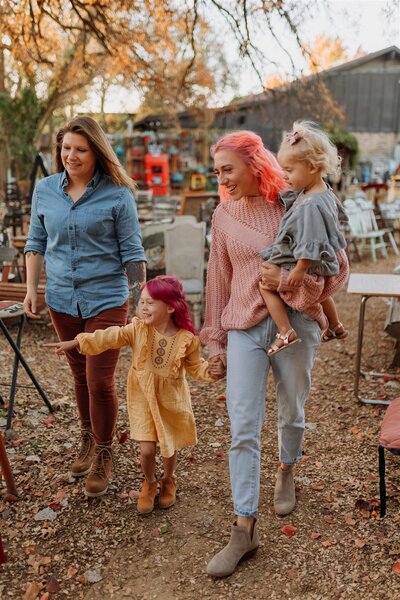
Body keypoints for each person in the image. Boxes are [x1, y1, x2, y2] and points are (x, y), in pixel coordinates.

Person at [200, 130, 349, 578]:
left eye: (229, 169)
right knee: (243, 425)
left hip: (298, 324)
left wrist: (291, 282)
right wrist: (215, 341)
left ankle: (287, 468)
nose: (222, 179)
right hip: (244, 327)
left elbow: (339, 267)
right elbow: (218, 280)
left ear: (254, 163)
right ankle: (244, 527)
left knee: (292, 411)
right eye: (217, 171)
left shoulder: (296, 200)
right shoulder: (223, 216)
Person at [23, 115, 146, 498]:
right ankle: (88, 438)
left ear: (96, 152)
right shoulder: (45, 190)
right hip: (61, 298)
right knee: (79, 376)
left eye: (80, 149)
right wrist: (31, 289)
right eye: (66, 149)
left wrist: (141, 300)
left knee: (98, 379)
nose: (71, 156)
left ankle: (105, 451)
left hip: (106, 299)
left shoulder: (118, 194)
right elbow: (36, 241)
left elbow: (133, 252)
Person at [44, 276, 218, 513]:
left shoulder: (187, 339)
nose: (143, 307)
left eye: (150, 303)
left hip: (170, 400)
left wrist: (213, 372)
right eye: (141, 302)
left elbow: (197, 367)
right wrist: (76, 343)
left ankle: (168, 479)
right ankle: (150, 481)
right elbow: (109, 336)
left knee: (168, 447)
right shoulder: (137, 329)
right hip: (143, 399)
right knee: (147, 450)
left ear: (170, 307)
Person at [259, 121, 349, 355]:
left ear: (311, 167)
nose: (284, 175)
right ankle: (336, 325)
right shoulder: (321, 191)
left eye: (289, 170)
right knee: (321, 294)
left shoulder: (309, 206)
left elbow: (309, 240)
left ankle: (285, 330)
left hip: (304, 262)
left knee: (266, 286)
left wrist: (299, 269)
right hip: (321, 259)